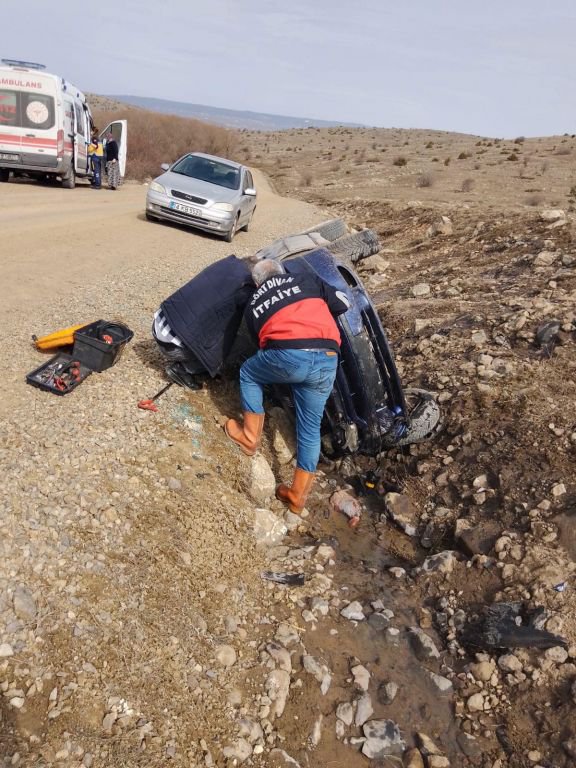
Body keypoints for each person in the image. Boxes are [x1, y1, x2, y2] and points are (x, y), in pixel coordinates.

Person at [225, 258, 350, 514]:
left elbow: (262, 343)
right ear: (282, 271)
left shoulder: (254, 301)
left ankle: (249, 438)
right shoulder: (307, 279)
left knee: (249, 373)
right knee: (310, 428)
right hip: (327, 357)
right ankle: (296, 497)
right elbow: (344, 304)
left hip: (288, 356)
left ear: (257, 283)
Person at [153, 255, 255, 388]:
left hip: (160, 322)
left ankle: (198, 362)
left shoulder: (226, 265)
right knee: (241, 344)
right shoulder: (245, 288)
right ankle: (184, 369)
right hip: (171, 345)